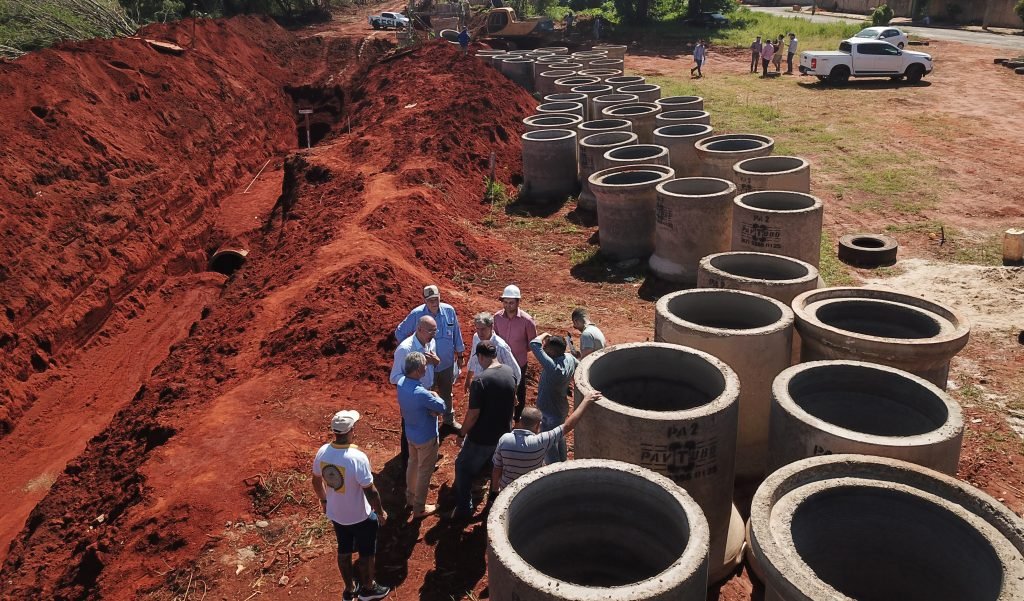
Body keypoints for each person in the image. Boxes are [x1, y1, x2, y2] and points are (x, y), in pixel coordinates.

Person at [312, 410, 391, 601]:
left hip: (337, 514)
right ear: (351, 430)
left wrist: (324, 500)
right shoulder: (357, 457)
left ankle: (349, 590)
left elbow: (315, 481)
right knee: (367, 553)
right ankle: (368, 589)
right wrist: (380, 512)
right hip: (360, 516)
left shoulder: (322, 452)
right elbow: (370, 491)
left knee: (344, 550)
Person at [449, 341, 516, 520]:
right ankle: (493, 501)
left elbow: (473, 414)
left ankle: (464, 509)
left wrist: (462, 434)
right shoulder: (509, 372)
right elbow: (514, 400)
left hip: (482, 437)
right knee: (494, 466)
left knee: (462, 467)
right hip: (503, 434)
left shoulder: (480, 381)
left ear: (480, 357)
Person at [491, 390, 602, 491]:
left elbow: (497, 469)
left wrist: (495, 491)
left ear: (520, 420)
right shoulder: (541, 441)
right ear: (538, 425)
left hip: (507, 488)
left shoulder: (505, 439)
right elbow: (568, 426)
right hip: (530, 487)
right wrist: (586, 400)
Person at [395, 285, 465, 430]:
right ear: (425, 301)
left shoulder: (449, 311)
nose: (434, 302)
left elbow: (456, 332)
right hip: (425, 369)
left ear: (440, 297)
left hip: (446, 363)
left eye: (436, 299)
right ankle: (427, 423)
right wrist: (413, 353)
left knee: (447, 393)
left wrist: (460, 354)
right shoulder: (417, 314)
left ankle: (448, 420)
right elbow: (400, 333)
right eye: (430, 300)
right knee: (426, 395)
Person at [397, 352, 447, 519]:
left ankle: (410, 498)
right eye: (425, 365)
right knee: (424, 472)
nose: (426, 367)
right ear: (418, 370)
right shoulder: (421, 393)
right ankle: (419, 508)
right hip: (426, 437)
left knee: (413, 465)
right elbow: (442, 407)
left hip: (410, 433)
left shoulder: (401, 383)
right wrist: (435, 395)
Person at [390, 315, 439, 466]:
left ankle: (426, 461)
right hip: (413, 396)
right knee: (410, 430)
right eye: (430, 331)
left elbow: (432, 367)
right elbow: (394, 377)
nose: (433, 334)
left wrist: (436, 362)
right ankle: (408, 464)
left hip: (428, 391)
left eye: (435, 331)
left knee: (429, 427)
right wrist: (412, 387)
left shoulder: (431, 343)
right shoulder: (405, 349)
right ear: (419, 329)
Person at [529, 332, 577, 464]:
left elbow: (534, 344)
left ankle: (555, 469)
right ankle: (564, 463)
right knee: (559, 437)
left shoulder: (553, 367)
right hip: (561, 410)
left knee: (549, 446)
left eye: (546, 347)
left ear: (553, 352)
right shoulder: (569, 358)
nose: (543, 348)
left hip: (549, 413)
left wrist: (544, 334)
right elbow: (579, 368)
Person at [493, 284, 537, 421]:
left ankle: (517, 417)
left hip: (519, 362)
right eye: (505, 302)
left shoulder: (527, 321)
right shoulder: (497, 318)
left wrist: (518, 350)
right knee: (501, 388)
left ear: (518, 302)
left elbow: (531, 344)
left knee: (519, 389)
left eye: (511, 303)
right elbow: (496, 338)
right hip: (501, 362)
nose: (508, 306)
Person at [464, 312, 520, 393]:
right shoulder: (476, 337)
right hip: (479, 386)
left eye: (483, 329)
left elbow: (516, 373)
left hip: (495, 390)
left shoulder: (501, 347)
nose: (480, 333)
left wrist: (513, 393)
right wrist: (468, 379)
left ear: (491, 327)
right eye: (477, 329)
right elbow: (474, 360)